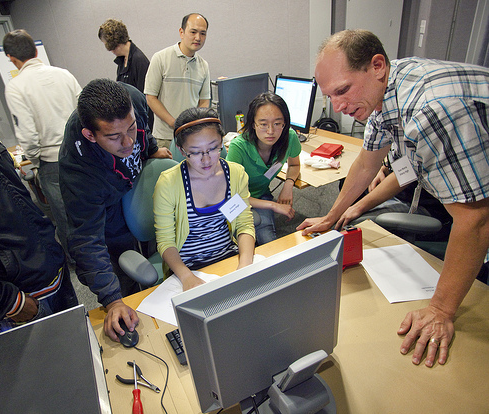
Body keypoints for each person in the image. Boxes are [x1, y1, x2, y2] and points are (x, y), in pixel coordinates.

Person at [297, 29, 489, 368]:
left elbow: (475, 219)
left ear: (377, 66)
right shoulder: (385, 93)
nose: (338, 106)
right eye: (331, 96)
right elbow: (367, 164)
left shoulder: (431, 109)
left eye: (343, 90)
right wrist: (331, 217)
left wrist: (440, 310)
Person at [59, 79, 171, 341]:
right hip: (106, 207)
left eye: (130, 128)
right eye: (113, 137)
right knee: (123, 273)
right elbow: (87, 240)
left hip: (130, 188)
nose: (128, 141)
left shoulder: (133, 99)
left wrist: (151, 149)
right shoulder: (79, 172)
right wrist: (113, 300)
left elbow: (142, 131)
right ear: (90, 135)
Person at [0, 124, 78, 336]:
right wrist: (9, 302)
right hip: (18, 290)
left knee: (78, 342)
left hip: (45, 262)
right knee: (51, 361)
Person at [154, 107, 255, 291]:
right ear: (181, 150)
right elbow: (165, 241)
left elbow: (244, 224)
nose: (207, 159)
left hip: (229, 258)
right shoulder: (168, 183)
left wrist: (245, 264)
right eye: (196, 152)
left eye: (213, 148)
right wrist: (186, 277)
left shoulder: (235, 174)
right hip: (187, 268)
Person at [3, 29, 82, 257]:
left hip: (52, 163)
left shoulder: (16, 87)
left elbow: (28, 136)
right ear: (36, 51)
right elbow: (85, 112)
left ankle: (80, 265)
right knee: (91, 208)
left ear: (11, 58)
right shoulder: (64, 75)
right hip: (81, 154)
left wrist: (35, 162)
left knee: (66, 218)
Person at [226, 92, 301, 245]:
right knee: (234, 242)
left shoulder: (289, 137)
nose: (271, 131)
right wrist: (274, 206)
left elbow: (294, 164)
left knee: (268, 241)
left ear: (284, 123)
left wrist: (288, 184)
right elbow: (232, 195)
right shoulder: (238, 147)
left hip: (260, 196)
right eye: (263, 124)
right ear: (253, 124)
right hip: (234, 200)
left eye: (277, 123)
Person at [144, 13, 210, 149]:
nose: (198, 38)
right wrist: (175, 123)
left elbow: (204, 101)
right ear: (181, 32)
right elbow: (151, 97)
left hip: (191, 139)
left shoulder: (204, 66)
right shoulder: (160, 58)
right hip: (164, 139)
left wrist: (192, 127)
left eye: (203, 34)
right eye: (193, 32)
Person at [98, 18, 154, 131]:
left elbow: (144, 99)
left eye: (104, 43)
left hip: (140, 123)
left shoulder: (139, 60)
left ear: (110, 42)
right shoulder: (122, 61)